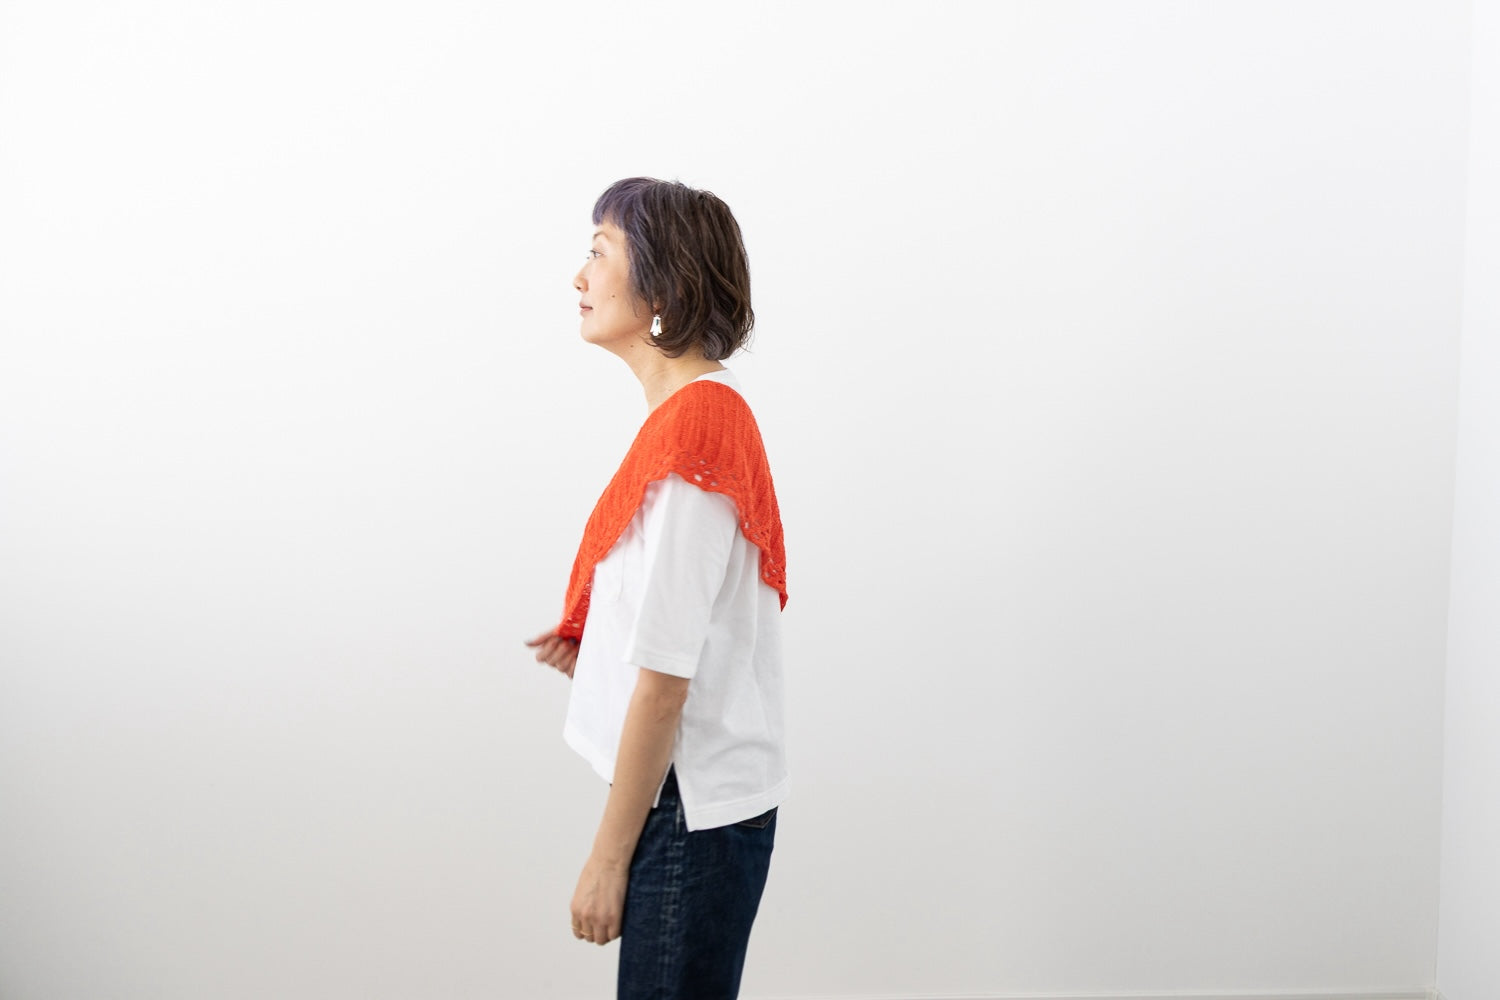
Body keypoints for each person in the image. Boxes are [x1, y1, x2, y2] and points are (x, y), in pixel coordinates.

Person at [525, 177, 788, 1000]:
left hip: (686, 811)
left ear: (665, 289)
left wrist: (607, 861)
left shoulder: (695, 436)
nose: (579, 276)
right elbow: (679, 627)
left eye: (599, 253)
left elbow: (668, 682)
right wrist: (601, 642)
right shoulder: (690, 420)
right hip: (688, 801)